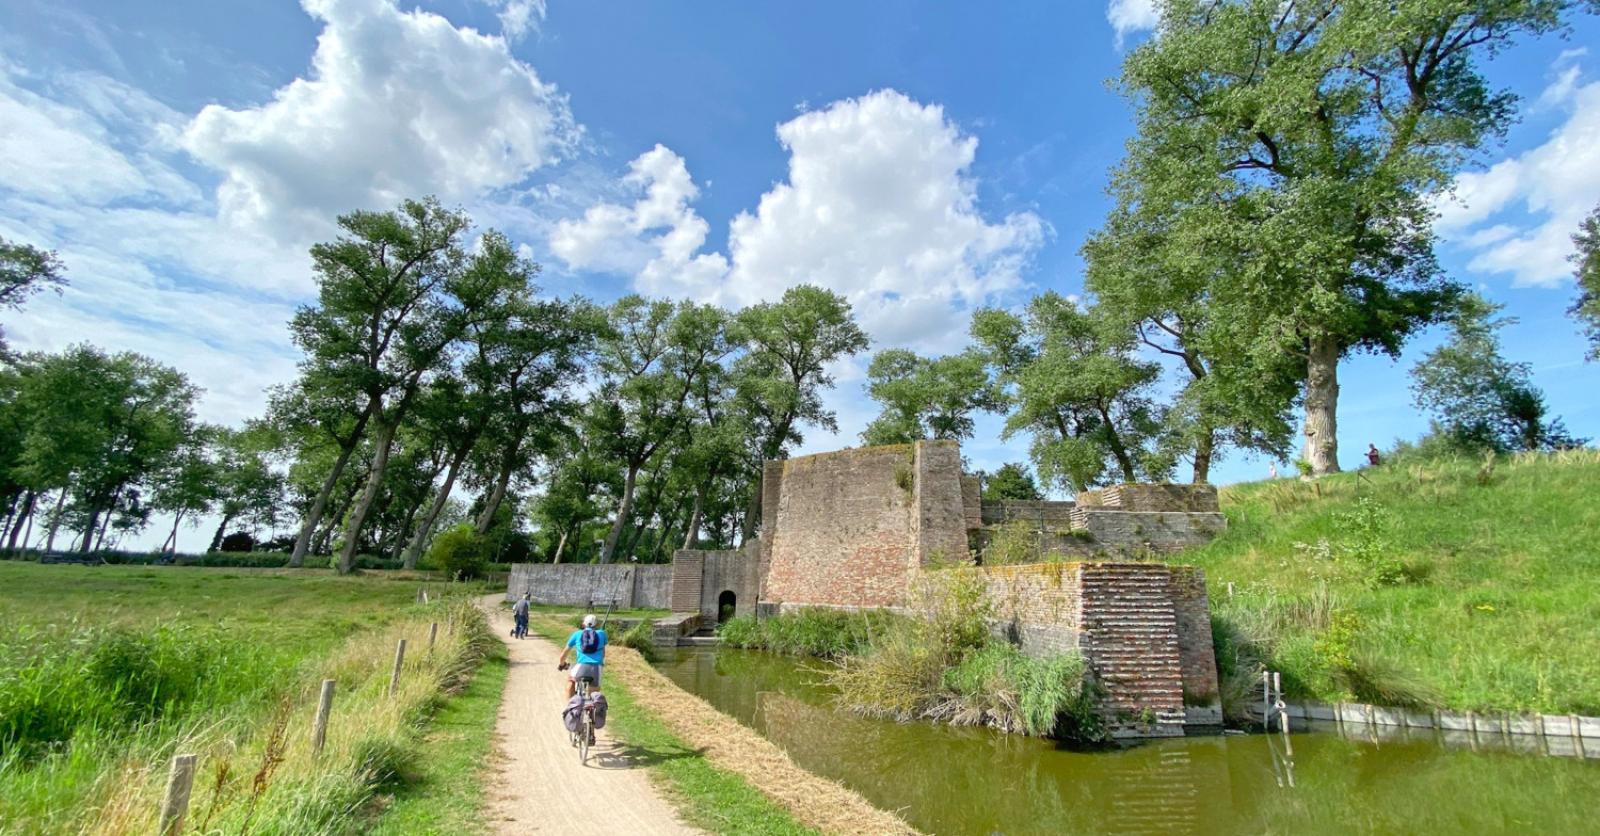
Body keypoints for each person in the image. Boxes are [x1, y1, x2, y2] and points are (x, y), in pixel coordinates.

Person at [557, 613, 608, 700]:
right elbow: (603, 654)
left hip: (581, 667)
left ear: (583, 624)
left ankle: (571, 708)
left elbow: (563, 655)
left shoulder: (577, 634)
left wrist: (562, 664)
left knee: (571, 682)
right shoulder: (602, 634)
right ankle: (593, 710)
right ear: (597, 624)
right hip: (597, 668)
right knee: (594, 694)